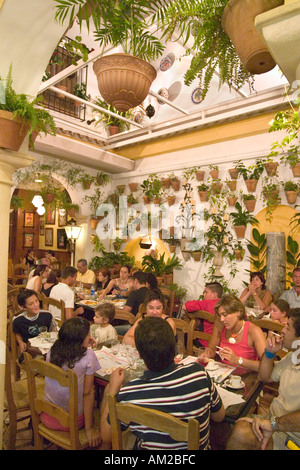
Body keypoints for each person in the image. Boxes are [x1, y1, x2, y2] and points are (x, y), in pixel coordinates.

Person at [100, 316, 225, 450]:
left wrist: (112, 390)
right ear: (173, 346)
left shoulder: (130, 393)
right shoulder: (199, 374)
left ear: (140, 355)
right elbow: (219, 416)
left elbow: (106, 436)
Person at [226, 308, 300, 451]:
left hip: (291, 436)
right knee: (228, 425)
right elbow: (264, 376)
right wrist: (269, 353)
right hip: (274, 421)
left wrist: (272, 424)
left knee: (241, 432)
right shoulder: (293, 357)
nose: (283, 330)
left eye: (288, 327)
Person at [42, 317, 101, 448]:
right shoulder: (89, 356)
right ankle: (91, 432)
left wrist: (83, 343)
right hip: (72, 422)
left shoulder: (53, 350)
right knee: (92, 392)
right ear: (80, 339)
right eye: (88, 334)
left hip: (48, 415)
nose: (90, 336)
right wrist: (89, 429)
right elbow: (87, 392)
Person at [202, 294, 266, 373]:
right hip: (222, 373)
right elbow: (211, 348)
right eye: (220, 315)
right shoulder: (220, 324)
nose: (221, 319)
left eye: (225, 315)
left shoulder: (254, 331)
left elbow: (266, 366)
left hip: (245, 378)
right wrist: (207, 354)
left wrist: (237, 360)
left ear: (238, 312)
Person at [182, 282, 223, 348]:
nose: (204, 294)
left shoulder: (205, 303)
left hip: (205, 343)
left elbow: (184, 307)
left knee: (188, 332)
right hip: (221, 344)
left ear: (214, 294)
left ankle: (189, 354)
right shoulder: (225, 304)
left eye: (206, 292)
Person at [13, 289, 54, 354]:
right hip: (30, 349)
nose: (36, 305)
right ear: (24, 307)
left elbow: (53, 331)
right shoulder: (18, 321)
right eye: (31, 304)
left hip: (45, 347)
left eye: (37, 301)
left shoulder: (47, 315)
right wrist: (20, 342)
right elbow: (17, 334)